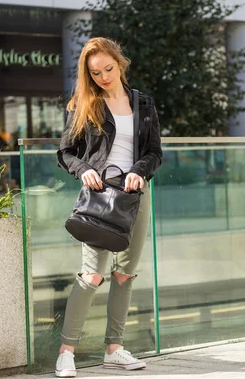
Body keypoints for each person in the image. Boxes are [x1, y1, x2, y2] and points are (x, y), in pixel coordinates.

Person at [55, 37, 162, 377]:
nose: (103, 77)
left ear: (120, 62)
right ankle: (66, 353)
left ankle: (114, 349)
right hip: (100, 197)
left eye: (108, 69)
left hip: (134, 196)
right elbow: (65, 152)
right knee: (92, 274)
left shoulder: (144, 104)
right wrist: (83, 169)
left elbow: (155, 152)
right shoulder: (85, 104)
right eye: (95, 72)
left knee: (124, 273)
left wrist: (138, 172)